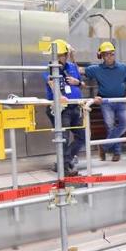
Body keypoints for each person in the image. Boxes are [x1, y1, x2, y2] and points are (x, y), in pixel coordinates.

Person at [84, 41, 126, 162]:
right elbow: (78, 70)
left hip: (121, 100)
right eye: (105, 54)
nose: (109, 57)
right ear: (101, 56)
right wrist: (71, 56)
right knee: (110, 127)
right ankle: (117, 153)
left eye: (111, 54)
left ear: (114, 54)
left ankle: (104, 146)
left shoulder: (123, 68)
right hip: (105, 101)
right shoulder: (96, 69)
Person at [42, 39, 85, 176]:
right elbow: (52, 83)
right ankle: (64, 166)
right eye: (57, 55)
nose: (59, 58)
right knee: (64, 138)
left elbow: (81, 83)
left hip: (75, 106)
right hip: (61, 109)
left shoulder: (72, 67)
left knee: (82, 137)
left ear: (66, 55)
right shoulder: (49, 68)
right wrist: (60, 96)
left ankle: (64, 162)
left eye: (62, 55)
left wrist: (77, 82)